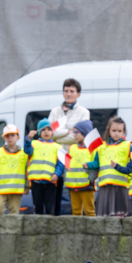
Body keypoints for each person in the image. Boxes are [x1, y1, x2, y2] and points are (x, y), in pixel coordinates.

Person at [47, 78, 92, 215]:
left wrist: (58, 134)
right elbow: (48, 133)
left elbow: (79, 136)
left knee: (73, 193)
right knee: (53, 194)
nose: (69, 94)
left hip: (73, 158)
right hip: (54, 157)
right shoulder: (55, 111)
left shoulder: (84, 112)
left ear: (78, 94)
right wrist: (68, 131)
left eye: (72, 91)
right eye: (66, 91)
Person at [24, 120, 65, 216]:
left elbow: (60, 164)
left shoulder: (58, 147)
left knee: (50, 209)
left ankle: (49, 230)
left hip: (50, 182)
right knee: (38, 208)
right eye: (43, 130)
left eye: (49, 129)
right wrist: (28, 138)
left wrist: (57, 174)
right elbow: (27, 151)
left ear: (52, 132)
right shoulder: (33, 144)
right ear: (39, 132)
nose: (46, 132)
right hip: (36, 182)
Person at [0, 124, 28, 216]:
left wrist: (27, 186)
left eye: (12, 135)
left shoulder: (23, 154)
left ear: (18, 137)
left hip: (16, 189)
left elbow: (26, 171)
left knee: (14, 212)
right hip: (1, 189)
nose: (10, 138)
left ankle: (12, 230)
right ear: (4, 138)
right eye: (7, 136)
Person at [97, 117, 132, 217]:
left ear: (124, 132)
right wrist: (88, 165)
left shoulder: (128, 146)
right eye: (114, 130)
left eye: (119, 131)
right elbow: (96, 162)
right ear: (109, 130)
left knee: (119, 213)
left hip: (120, 185)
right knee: (105, 214)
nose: (116, 133)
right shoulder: (101, 146)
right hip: (105, 184)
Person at [64, 121, 100, 217]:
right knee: (75, 212)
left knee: (90, 212)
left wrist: (90, 178)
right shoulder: (72, 148)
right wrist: (66, 179)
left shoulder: (94, 149)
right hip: (73, 186)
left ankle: (91, 232)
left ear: (85, 133)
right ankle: (76, 232)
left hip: (87, 186)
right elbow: (68, 165)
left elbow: (97, 164)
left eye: (76, 132)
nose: (74, 135)